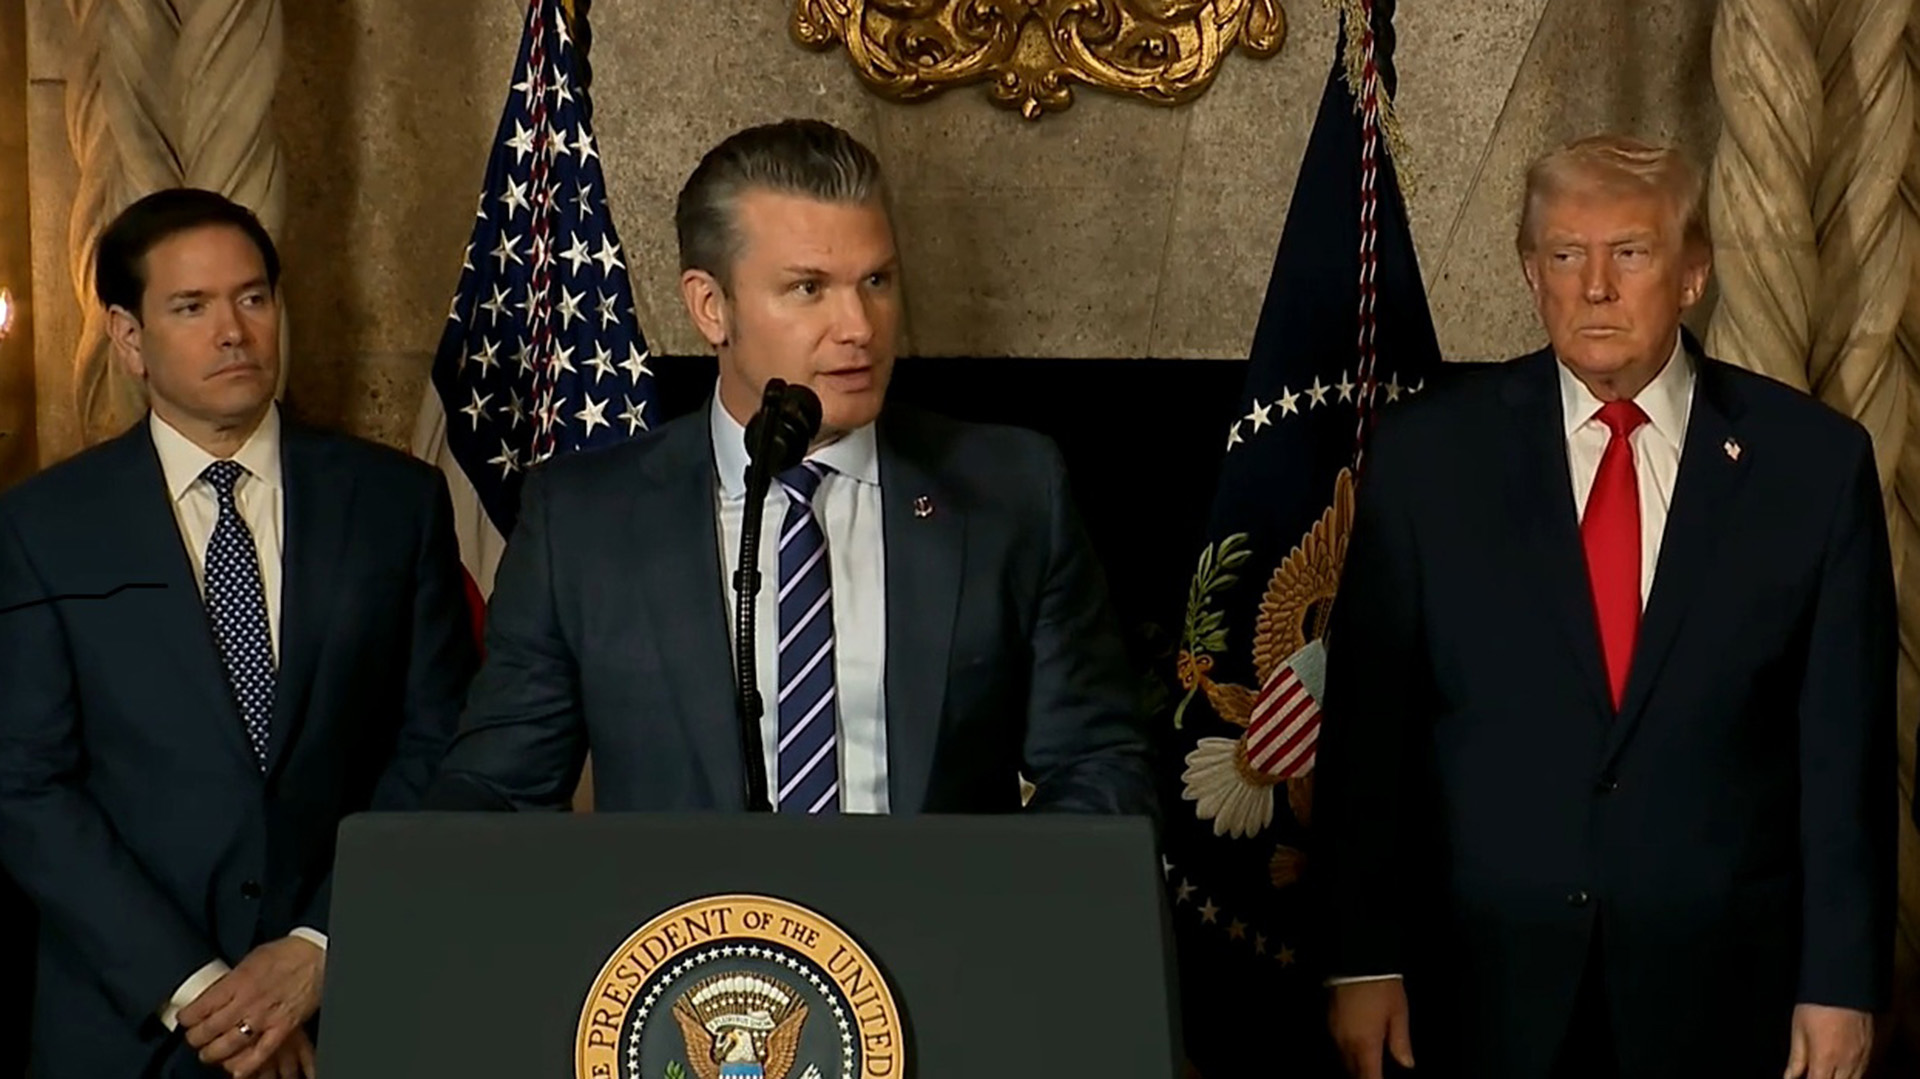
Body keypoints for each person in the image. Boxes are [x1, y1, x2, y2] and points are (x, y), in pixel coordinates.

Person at [1315, 134, 1895, 1079]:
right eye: (1563, 254)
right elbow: (1370, 737)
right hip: (1479, 990)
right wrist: (1362, 955)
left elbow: (1843, 756)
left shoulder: (1813, 467)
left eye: (1629, 252)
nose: (1595, 286)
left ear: (1693, 273)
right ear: (1531, 276)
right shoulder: (1433, 460)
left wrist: (1840, 981)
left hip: (1727, 994)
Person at [429, 118, 1154, 819]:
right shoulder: (582, 519)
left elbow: (1097, 764)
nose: (859, 327)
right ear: (711, 307)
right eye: (809, 288)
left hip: (938, 934)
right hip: (690, 938)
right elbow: (498, 791)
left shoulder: (1013, 487)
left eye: (877, 281)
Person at [0, 188, 478, 1078]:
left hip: (356, 1011)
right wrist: (203, 992)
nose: (234, 331)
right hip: (131, 1029)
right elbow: (26, 786)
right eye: (192, 306)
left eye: (253, 298)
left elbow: (438, 743)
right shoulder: (40, 528)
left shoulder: (393, 503)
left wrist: (321, 943)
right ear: (129, 336)